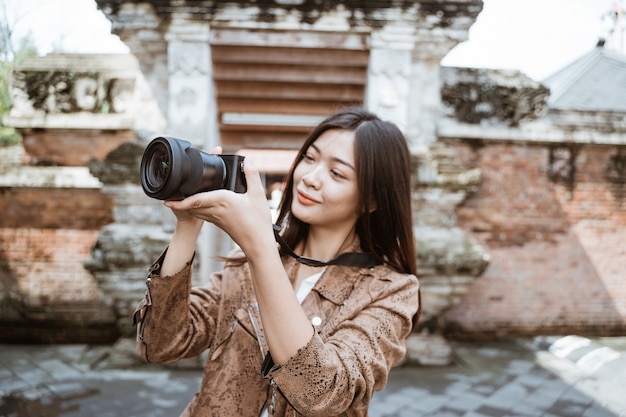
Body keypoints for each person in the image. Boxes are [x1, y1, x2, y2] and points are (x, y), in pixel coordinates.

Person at [133, 107, 421, 417]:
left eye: (337, 173)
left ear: (371, 200)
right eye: (309, 159)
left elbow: (323, 393)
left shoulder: (392, 290)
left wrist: (260, 248)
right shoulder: (244, 262)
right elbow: (161, 344)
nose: (310, 178)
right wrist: (188, 225)